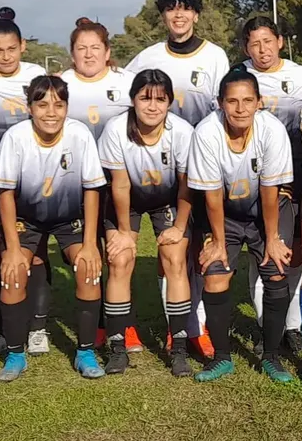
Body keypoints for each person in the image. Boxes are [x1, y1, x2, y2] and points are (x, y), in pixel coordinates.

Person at [126, 0, 230, 358]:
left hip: (202, 167)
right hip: (160, 170)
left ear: (196, 14)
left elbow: (225, 110)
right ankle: (179, 327)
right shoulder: (148, 57)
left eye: (185, 7)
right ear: (163, 16)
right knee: (170, 247)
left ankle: (197, 325)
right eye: (171, 8)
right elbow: (123, 95)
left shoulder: (215, 56)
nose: (178, 14)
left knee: (198, 247)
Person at [0, 75, 108, 382]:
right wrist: (13, 249)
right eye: (42, 105)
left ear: (67, 107)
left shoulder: (79, 134)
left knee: (88, 268)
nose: (51, 112)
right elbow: (4, 193)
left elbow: (92, 189)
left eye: (58, 105)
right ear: (29, 108)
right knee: (13, 272)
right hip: (26, 218)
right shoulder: (16, 137)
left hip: (69, 217)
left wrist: (90, 244)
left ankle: (85, 352)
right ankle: (15, 355)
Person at [187, 66, 296, 383]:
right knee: (215, 274)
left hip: (268, 209)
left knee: (276, 270)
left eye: (248, 100)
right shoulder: (206, 132)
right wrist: (219, 242)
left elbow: (270, 190)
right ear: (220, 103)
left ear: (259, 102)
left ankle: (271, 356)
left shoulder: (272, 130)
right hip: (224, 212)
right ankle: (222, 358)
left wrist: (272, 237)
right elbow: (211, 196)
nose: (240, 108)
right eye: (232, 101)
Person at [97, 69, 195, 376]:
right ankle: (117, 346)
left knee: (175, 259)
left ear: (170, 102)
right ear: (132, 100)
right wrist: (124, 232)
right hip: (126, 199)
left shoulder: (182, 131)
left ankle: (178, 348)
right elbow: (120, 184)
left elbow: (186, 185)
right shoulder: (115, 129)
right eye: (145, 98)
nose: (152, 106)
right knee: (120, 259)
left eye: (160, 99)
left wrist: (179, 227)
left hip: (168, 200)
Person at [61, 18, 141, 353]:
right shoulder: (61, 84)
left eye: (95, 48)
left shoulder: (126, 82)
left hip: (117, 182)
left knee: (119, 255)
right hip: (75, 185)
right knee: (87, 254)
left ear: (108, 52)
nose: (89, 54)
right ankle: (94, 324)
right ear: (72, 53)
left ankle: (124, 325)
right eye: (82, 48)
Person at [0, 7, 47, 357]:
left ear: (23, 46)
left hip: (31, 173)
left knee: (34, 249)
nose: (5, 57)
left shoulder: (35, 75)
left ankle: (37, 327)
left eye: (12, 49)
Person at [241, 16, 302, 356]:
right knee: (261, 250)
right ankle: (265, 325)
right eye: (254, 43)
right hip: (252, 173)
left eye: (267, 41)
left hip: (293, 171)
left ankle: (292, 326)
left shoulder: (300, 75)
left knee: (293, 251)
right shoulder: (238, 75)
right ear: (246, 48)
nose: (262, 49)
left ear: (280, 42)